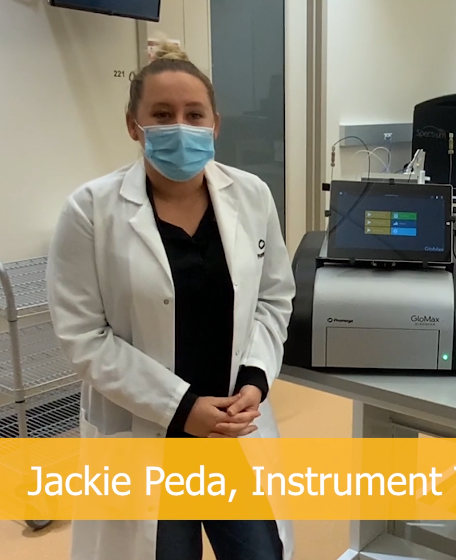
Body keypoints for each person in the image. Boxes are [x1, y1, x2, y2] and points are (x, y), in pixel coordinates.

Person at [47, 40, 295, 560]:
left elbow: (274, 299)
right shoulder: (90, 210)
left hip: (233, 427)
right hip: (147, 430)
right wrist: (182, 408)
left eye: (193, 114)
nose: (180, 126)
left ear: (215, 125)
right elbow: (83, 337)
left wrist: (255, 380)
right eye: (162, 114)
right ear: (133, 124)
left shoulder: (252, 196)